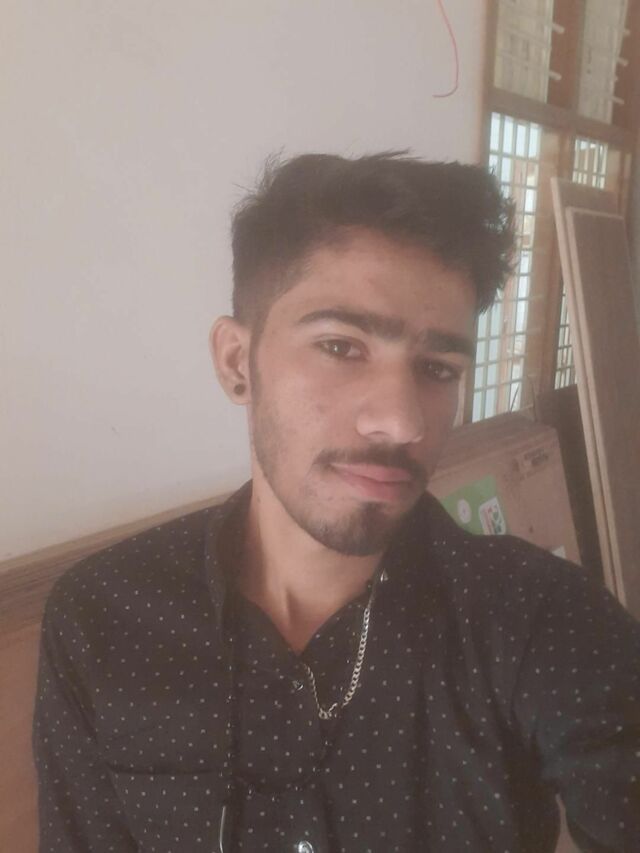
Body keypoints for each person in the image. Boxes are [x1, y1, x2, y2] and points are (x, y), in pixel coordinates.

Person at [33, 152, 640, 853]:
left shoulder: (538, 621)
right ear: (237, 362)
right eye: (341, 347)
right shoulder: (104, 618)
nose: (402, 421)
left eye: (438, 368)